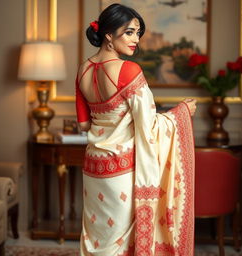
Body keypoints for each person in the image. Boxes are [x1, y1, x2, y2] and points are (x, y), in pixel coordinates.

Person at [75, 3, 196, 256]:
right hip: (122, 170)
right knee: (119, 242)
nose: (136, 40)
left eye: (138, 33)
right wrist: (181, 112)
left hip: (93, 167)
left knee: (99, 236)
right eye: (129, 32)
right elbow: (149, 125)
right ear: (108, 34)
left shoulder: (83, 69)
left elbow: (84, 124)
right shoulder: (129, 71)